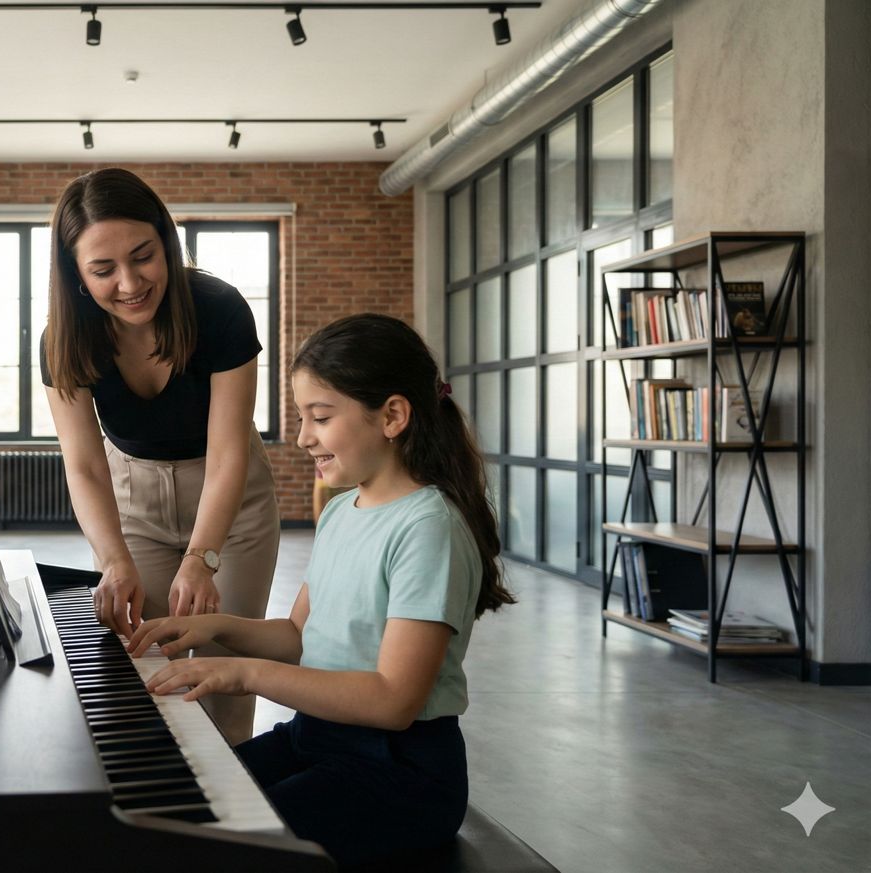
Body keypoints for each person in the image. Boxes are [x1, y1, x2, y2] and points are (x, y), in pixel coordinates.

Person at [129, 313, 516, 867]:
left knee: (230, 844)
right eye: (301, 418)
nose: (305, 436)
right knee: (185, 803)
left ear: (393, 416)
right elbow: (297, 636)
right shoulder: (341, 512)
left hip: (400, 772)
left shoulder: (429, 528)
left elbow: (393, 701)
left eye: (321, 417)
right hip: (316, 738)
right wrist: (212, 628)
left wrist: (243, 673)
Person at [40, 168, 279, 746]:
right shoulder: (63, 339)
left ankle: (232, 826)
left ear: (166, 244)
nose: (129, 283)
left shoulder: (219, 310)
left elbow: (228, 455)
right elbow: (85, 464)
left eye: (143, 256)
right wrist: (112, 557)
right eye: (103, 269)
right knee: (141, 665)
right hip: (134, 500)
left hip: (231, 502)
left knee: (222, 676)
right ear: (76, 274)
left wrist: (204, 556)